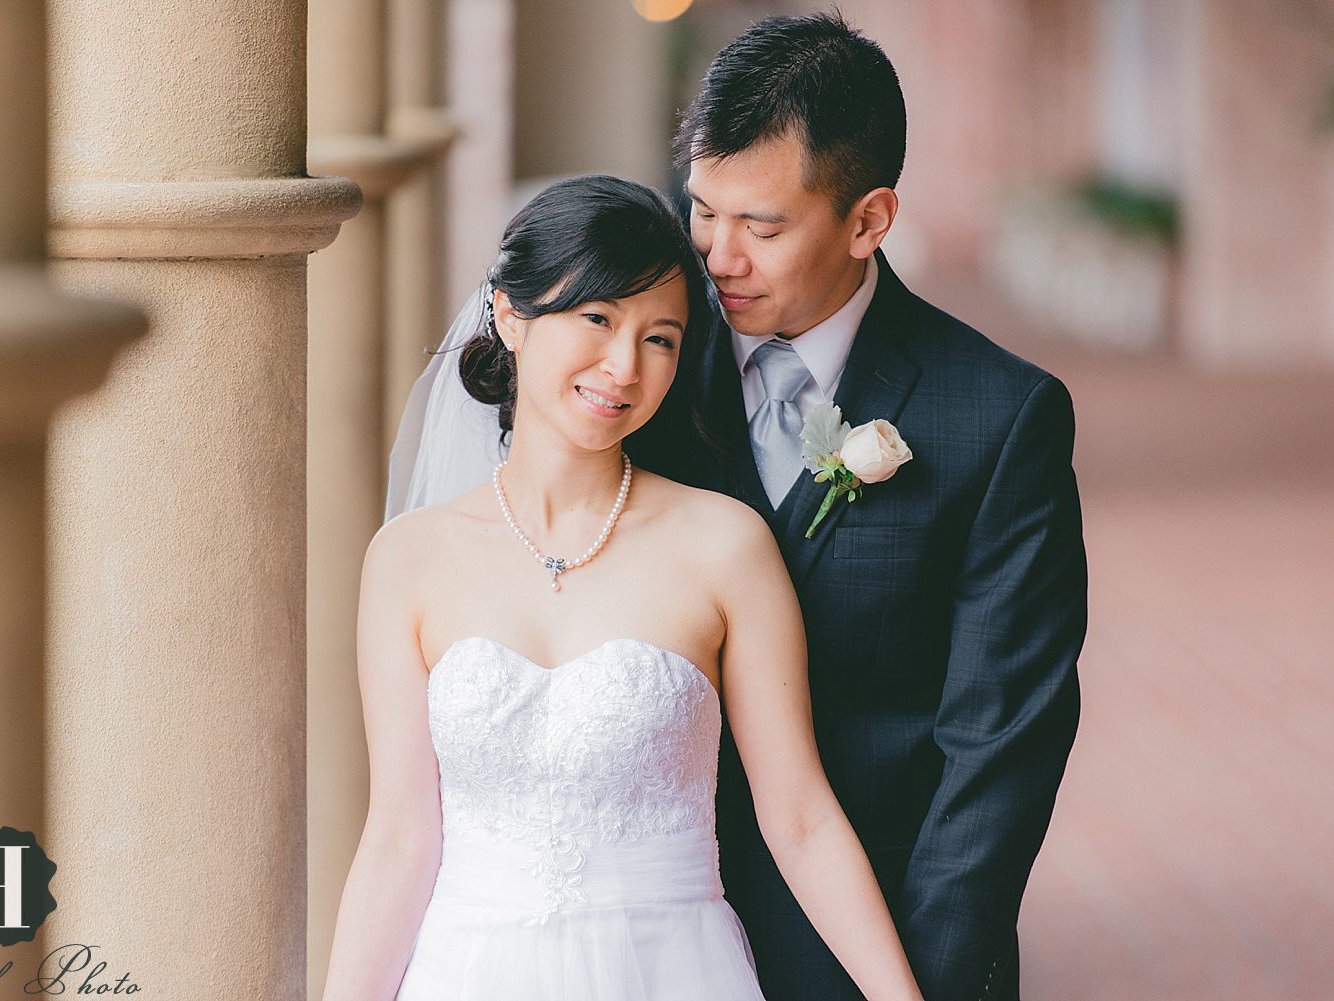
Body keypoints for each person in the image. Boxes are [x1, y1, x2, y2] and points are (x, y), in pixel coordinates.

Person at [322, 175, 925, 1001]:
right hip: (468, 972)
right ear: (510, 313)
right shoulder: (407, 560)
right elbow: (397, 838)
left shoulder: (724, 545)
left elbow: (801, 817)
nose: (624, 366)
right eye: (598, 319)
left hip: (674, 971)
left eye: (662, 338)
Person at [640, 12, 1088, 1001]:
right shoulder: (638, 381)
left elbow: (999, 751)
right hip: (648, 938)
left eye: (761, 225)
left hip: (873, 946)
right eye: (703, 210)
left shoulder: (998, 417)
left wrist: (916, 979)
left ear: (869, 219)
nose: (717, 255)